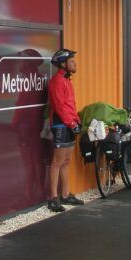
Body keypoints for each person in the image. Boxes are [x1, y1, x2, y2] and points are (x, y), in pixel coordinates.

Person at [46, 48, 84, 213]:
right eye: (72, 61)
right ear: (63, 64)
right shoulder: (56, 81)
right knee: (57, 162)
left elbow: (71, 106)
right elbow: (60, 107)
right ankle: (53, 198)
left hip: (69, 124)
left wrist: (77, 121)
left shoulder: (67, 81)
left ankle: (66, 194)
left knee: (66, 161)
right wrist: (71, 123)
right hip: (61, 125)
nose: (75, 63)